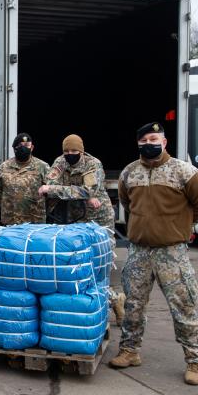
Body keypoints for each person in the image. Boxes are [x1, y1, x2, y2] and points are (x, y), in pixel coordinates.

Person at [109, 122, 198, 386]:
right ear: (138, 144)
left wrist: (182, 226)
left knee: (183, 307)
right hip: (139, 251)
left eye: (154, 138)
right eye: (143, 140)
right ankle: (130, 351)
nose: (148, 144)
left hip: (171, 253)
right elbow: (126, 203)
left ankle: (195, 360)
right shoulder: (129, 173)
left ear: (164, 142)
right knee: (133, 305)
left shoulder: (184, 172)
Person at [38, 134, 126, 325]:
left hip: (98, 220)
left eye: (74, 151)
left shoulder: (92, 164)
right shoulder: (60, 162)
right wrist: (73, 192)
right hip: (75, 220)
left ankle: (112, 301)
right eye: (67, 151)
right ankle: (101, 305)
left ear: (82, 151)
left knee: (96, 268)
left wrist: (59, 191)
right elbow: (50, 182)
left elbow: (88, 191)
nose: (70, 155)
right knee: (76, 268)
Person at [0, 132, 50, 225]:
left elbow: (52, 191)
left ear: (32, 148)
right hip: (10, 220)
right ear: (14, 149)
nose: (23, 148)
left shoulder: (43, 167)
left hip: (35, 221)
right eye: (20, 145)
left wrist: (41, 208)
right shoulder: (4, 167)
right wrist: (7, 205)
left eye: (27, 145)